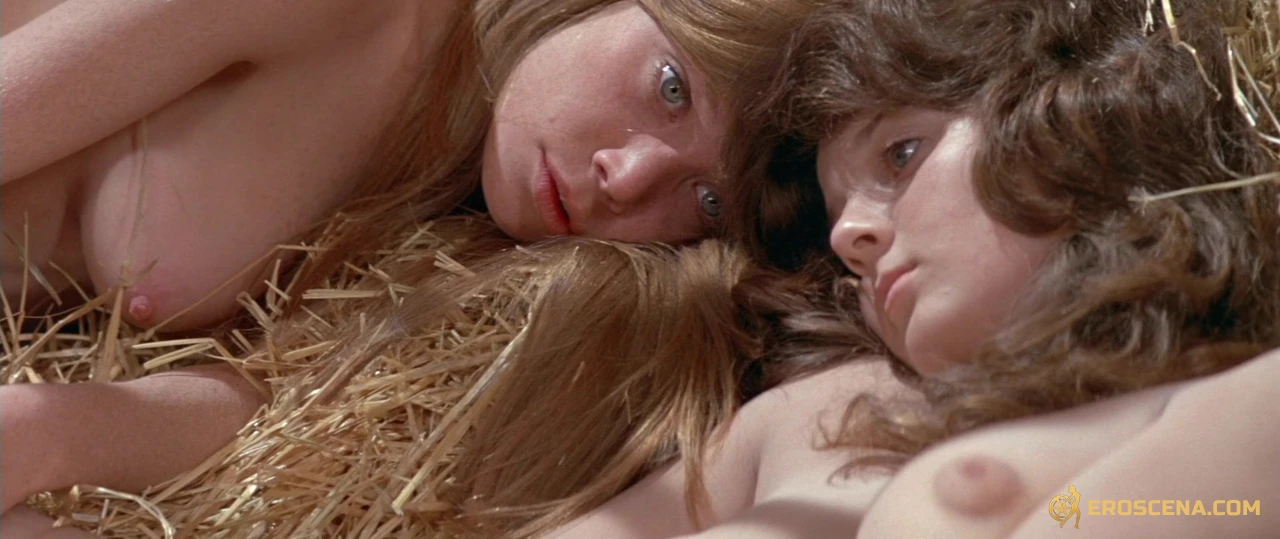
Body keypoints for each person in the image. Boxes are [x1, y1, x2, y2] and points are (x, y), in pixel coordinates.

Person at [0, 0, 818, 534]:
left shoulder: (477, 213)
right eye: (671, 87)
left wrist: (52, 433)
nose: (628, 178)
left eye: (708, 200)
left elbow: (280, 403)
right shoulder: (356, 16)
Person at [548, 0, 1280, 536]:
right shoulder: (817, 410)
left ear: (1078, 112)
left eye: (901, 155)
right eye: (835, 217)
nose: (850, 237)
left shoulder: (1238, 393)